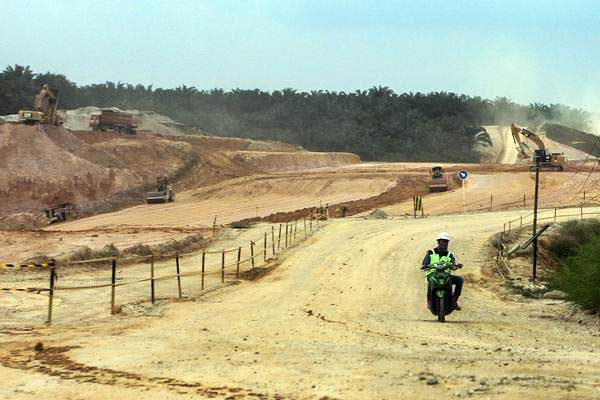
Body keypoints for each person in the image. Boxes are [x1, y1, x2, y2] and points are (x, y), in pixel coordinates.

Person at [420, 232, 464, 310]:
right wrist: (424, 266)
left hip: (446, 275)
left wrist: (456, 266)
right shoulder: (430, 252)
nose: (445, 243)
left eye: (446, 242)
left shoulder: (449, 255)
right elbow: (424, 263)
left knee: (460, 280)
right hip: (433, 274)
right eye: (443, 241)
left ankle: (454, 300)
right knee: (431, 281)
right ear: (438, 242)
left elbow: (453, 265)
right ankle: (429, 301)